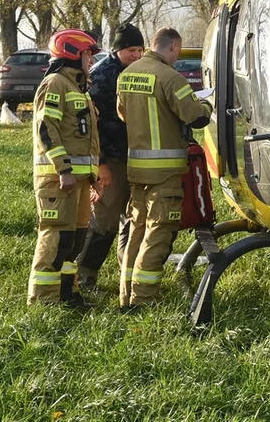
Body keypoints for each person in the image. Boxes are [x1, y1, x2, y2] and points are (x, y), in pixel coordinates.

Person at [116, 27, 212, 312]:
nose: (177, 57)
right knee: (158, 233)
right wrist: (206, 105)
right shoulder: (170, 77)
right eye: (178, 52)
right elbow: (195, 116)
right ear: (173, 47)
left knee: (137, 231)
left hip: (136, 169)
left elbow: (122, 113)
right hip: (166, 173)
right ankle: (144, 299)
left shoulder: (127, 74)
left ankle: (126, 296)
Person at [27, 29, 102, 309]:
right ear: (73, 54)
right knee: (57, 236)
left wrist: (92, 176)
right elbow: (47, 129)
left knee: (75, 239)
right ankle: (44, 301)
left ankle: (67, 294)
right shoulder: (55, 84)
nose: (91, 61)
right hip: (60, 180)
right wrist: (63, 169)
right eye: (87, 55)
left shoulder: (76, 88)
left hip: (79, 179)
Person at [75, 23, 145, 294]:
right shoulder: (101, 76)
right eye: (131, 50)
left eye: (140, 49)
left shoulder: (139, 71)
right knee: (103, 222)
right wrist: (101, 163)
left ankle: (125, 275)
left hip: (133, 158)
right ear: (117, 50)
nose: (137, 55)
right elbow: (93, 126)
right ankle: (83, 278)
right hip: (111, 160)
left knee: (130, 220)